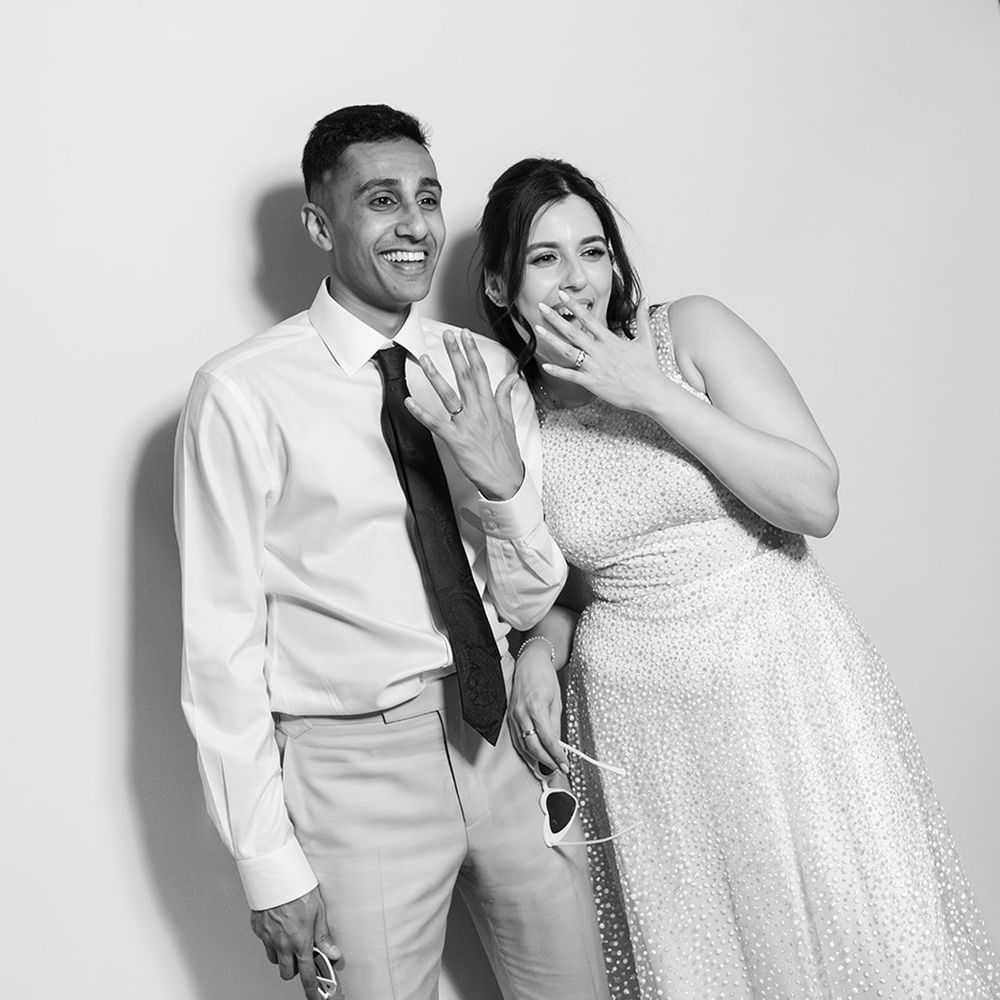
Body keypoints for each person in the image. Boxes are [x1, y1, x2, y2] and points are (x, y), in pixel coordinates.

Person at [458, 156, 1000, 999]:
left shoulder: (689, 332)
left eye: (593, 251)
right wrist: (542, 644)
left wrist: (652, 392)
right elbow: (572, 578)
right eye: (545, 257)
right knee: (706, 958)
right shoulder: (514, 410)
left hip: (779, 679)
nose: (578, 279)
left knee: (857, 937)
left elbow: (814, 501)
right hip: (643, 716)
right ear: (500, 285)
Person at [173, 109, 610, 1000]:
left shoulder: (484, 369)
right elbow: (220, 646)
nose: (415, 225)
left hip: (505, 742)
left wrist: (500, 485)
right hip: (353, 775)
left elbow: (532, 599)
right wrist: (266, 863)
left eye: (428, 198)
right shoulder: (242, 394)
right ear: (320, 224)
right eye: (382, 201)